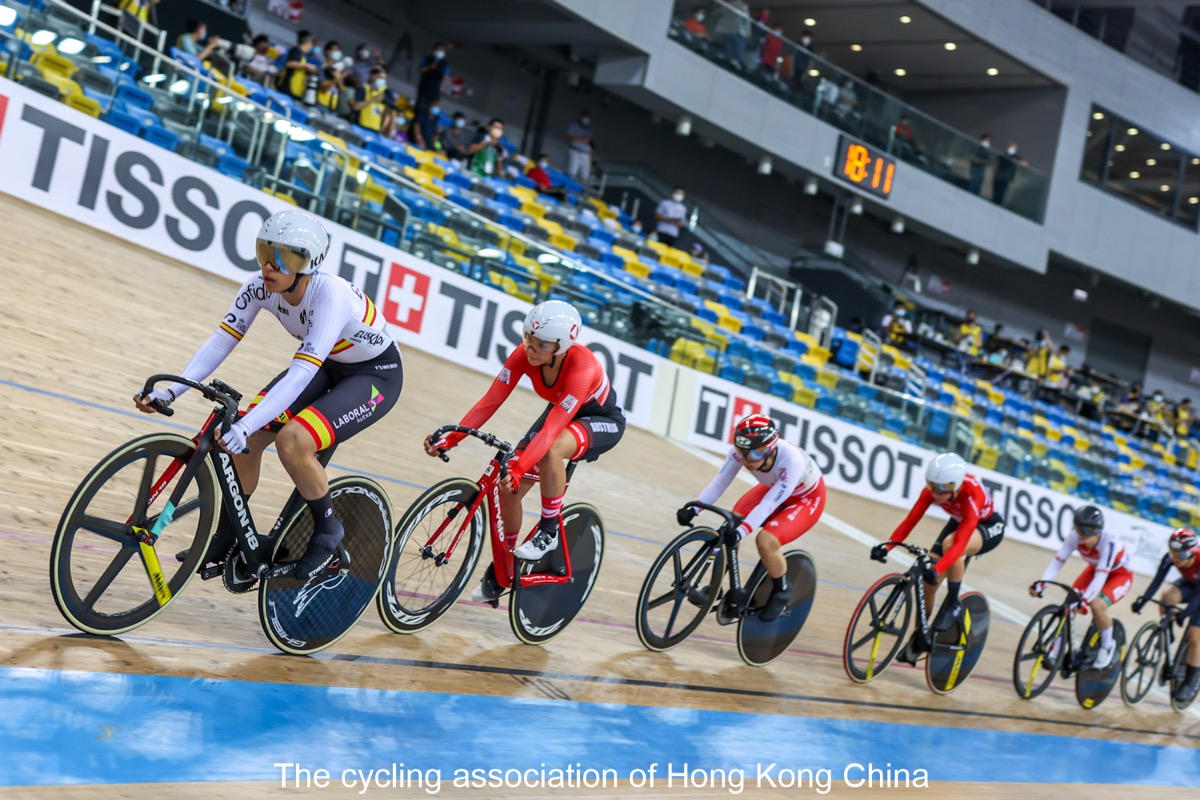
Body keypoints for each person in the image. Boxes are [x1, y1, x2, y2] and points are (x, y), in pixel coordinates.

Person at [134, 210, 403, 580]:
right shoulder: (258, 287)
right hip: (327, 364)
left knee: (293, 441)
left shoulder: (329, 296)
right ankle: (230, 535)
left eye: (284, 258)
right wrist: (171, 391)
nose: (268, 266)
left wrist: (243, 427)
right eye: (264, 251)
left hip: (374, 375)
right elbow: (221, 341)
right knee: (246, 439)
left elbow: (300, 373)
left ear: (308, 264)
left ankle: (328, 534)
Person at [425, 301, 626, 603]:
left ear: (561, 346)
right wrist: (452, 438)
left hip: (600, 420)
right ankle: (504, 568)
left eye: (541, 344)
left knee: (551, 450)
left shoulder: (583, 366)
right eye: (528, 338)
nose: (531, 349)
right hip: (562, 411)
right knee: (508, 489)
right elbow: (490, 401)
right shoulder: (523, 355)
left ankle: (549, 530)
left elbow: (551, 430)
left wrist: (520, 468)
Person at [676, 415, 826, 622]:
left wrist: (741, 532)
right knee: (731, 522)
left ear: (770, 449)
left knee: (765, 541)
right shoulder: (745, 453)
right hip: (775, 488)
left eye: (755, 454)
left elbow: (768, 504)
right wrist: (694, 508)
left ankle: (782, 590)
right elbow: (719, 483)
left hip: (806, 500)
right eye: (741, 452)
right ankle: (716, 584)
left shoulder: (792, 461)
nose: (746, 460)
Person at [875, 453, 1006, 662]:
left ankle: (953, 604)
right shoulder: (933, 491)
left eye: (943, 488)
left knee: (949, 547)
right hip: (960, 520)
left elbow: (960, 544)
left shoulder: (972, 494)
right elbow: (910, 521)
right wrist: (887, 546)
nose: (936, 493)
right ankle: (920, 637)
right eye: (932, 486)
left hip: (988, 525)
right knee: (928, 585)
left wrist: (936, 570)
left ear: (956, 486)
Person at [1031, 505, 1132, 670]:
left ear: (1098, 531)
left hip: (1119, 576)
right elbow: (1057, 563)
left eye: (1087, 532)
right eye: (1079, 530)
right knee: (1070, 602)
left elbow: (1101, 576)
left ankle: (1107, 646)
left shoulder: (1109, 543)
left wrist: (1085, 600)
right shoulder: (1074, 537)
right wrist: (1043, 583)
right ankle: (1057, 648)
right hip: (1094, 570)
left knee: (1097, 605)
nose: (1082, 536)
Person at [1131, 529, 1200, 704]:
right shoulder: (1171, 557)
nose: (1175, 558)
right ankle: (1166, 634)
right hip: (1191, 584)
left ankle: (1190, 682)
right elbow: (1157, 580)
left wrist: (1185, 614)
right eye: (1173, 553)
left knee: (1194, 637)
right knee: (1167, 597)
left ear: (1191, 552)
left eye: (1180, 555)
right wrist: (1144, 600)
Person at [350, 65, 398, 137]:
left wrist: (389, 130)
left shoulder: (387, 92)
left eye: (384, 79)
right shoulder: (363, 88)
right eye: (380, 77)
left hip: (375, 131)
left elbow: (392, 111)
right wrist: (373, 100)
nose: (382, 81)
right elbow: (355, 107)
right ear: (372, 76)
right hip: (358, 127)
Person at [279, 32, 318, 101]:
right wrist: (307, 66)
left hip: (295, 91)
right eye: (311, 44)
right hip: (288, 89)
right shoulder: (296, 51)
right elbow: (290, 64)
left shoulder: (303, 56)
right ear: (308, 43)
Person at [416, 41, 450, 112]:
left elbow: (446, 78)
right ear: (434, 50)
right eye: (438, 50)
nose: (440, 52)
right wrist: (429, 67)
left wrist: (439, 70)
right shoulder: (427, 59)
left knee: (431, 111)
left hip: (435, 92)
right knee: (419, 109)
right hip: (424, 89)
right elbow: (419, 70)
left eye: (442, 50)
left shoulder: (445, 64)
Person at [566, 110, 594, 183]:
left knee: (584, 176)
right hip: (575, 151)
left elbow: (588, 141)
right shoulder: (574, 126)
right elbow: (570, 136)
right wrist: (582, 139)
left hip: (585, 153)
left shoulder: (588, 130)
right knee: (571, 173)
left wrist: (579, 139)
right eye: (586, 116)